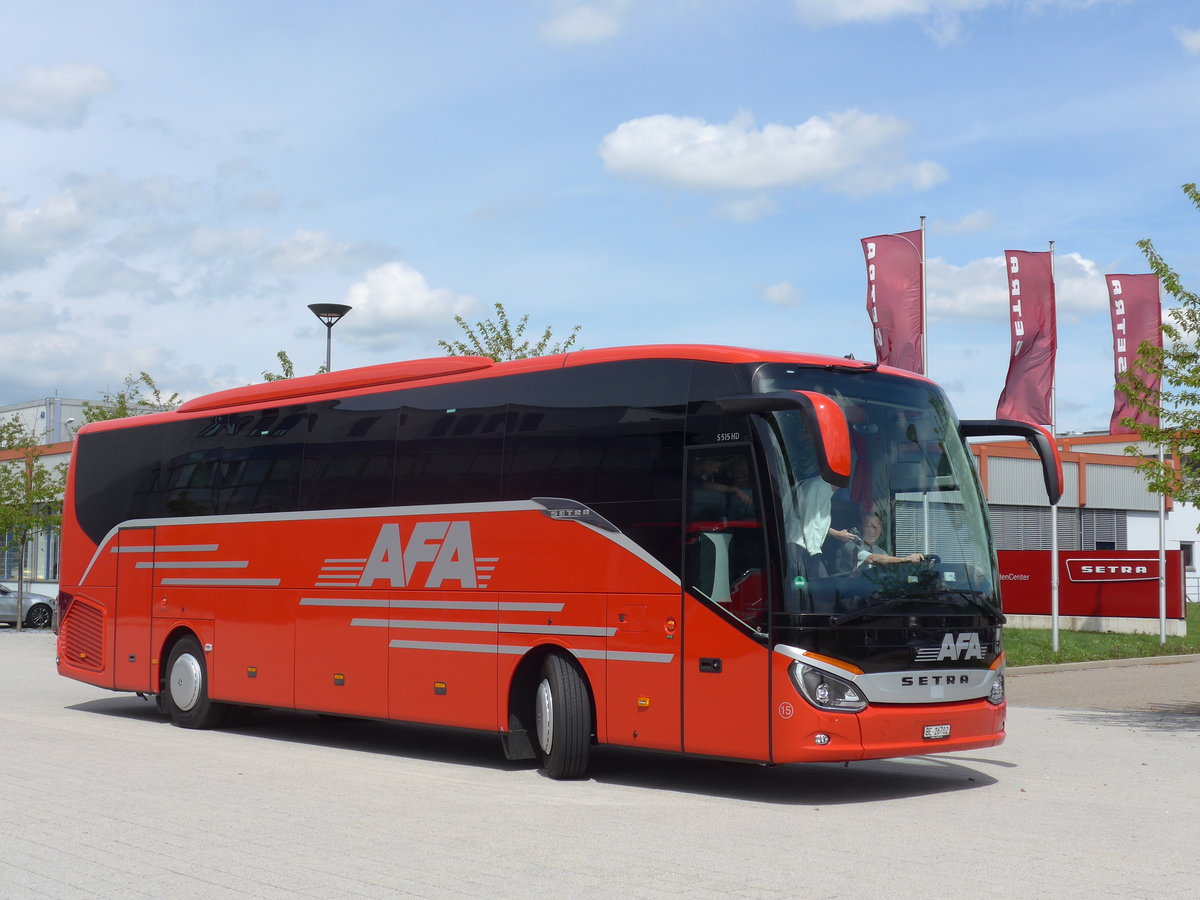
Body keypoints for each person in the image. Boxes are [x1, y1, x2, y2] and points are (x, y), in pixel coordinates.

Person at [835, 511, 925, 572]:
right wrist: (904, 559)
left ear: (881, 530)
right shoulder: (850, 546)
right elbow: (872, 559)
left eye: (875, 527)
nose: (871, 531)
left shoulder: (881, 552)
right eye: (867, 526)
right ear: (860, 527)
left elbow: (890, 568)